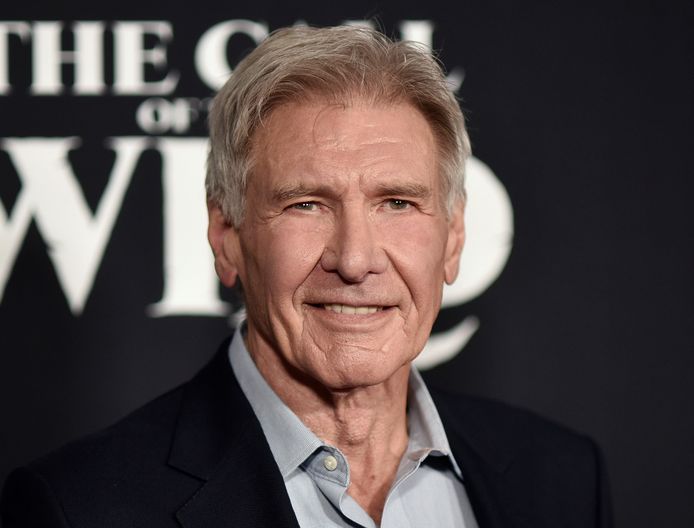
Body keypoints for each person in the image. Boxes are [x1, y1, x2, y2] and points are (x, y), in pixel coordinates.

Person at [1, 26, 612, 527]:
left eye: (397, 202)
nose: (355, 259)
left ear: (452, 238)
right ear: (227, 236)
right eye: (306, 205)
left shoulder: (561, 479)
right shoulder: (79, 508)